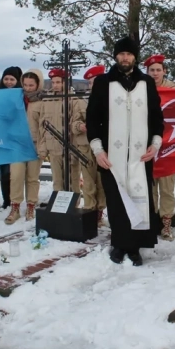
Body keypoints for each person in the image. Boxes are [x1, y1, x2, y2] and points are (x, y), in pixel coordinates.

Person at [86, 36, 164, 266]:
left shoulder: (146, 83)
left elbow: (157, 116)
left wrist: (155, 143)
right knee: (117, 200)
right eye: (121, 54)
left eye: (129, 54)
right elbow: (93, 119)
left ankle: (135, 246)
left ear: (135, 57)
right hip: (112, 155)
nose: (125, 58)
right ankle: (119, 244)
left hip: (140, 155)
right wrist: (98, 150)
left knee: (139, 198)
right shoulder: (103, 83)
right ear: (115, 57)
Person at [144, 54, 175, 240]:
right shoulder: (140, 88)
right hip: (145, 144)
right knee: (149, 186)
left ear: (164, 71)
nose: (155, 73)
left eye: (158, 70)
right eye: (152, 70)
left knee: (166, 187)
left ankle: (166, 223)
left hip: (168, 146)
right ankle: (152, 220)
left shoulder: (173, 90)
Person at [6, 69, 45, 224]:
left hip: (35, 144)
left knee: (32, 177)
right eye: (25, 85)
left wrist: (43, 146)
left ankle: (31, 204)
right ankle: (15, 206)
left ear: (38, 84)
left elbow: (44, 126)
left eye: (31, 85)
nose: (28, 88)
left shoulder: (42, 102)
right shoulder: (16, 99)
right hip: (17, 144)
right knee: (15, 176)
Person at [39, 69, 83, 193]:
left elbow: (76, 122)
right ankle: (59, 206)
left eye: (58, 82)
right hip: (53, 147)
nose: (55, 85)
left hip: (71, 148)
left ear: (65, 82)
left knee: (73, 180)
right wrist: (43, 147)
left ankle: (74, 205)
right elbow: (42, 125)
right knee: (57, 181)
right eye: (53, 82)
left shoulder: (74, 100)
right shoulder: (47, 100)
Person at [75, 65, 107, 227]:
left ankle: (100, 212)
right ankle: (89, 209)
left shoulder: (110, 99)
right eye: (89, 83)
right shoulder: (81, 101)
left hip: (104, 147)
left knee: (102, 181)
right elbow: (73, 121)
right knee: (88, 180)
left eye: (95, 82)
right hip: (85, 146)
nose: (92, 86)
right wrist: (79, 126)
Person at [0, 66, 22, 210]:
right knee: (5, 172)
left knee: (17, 172)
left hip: (17, 139)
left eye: (12, 79)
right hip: (1, 139)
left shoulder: (22, 95)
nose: (8, 82)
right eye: (6, 79)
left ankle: (16, 199)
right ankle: (7, 199)